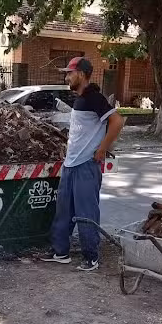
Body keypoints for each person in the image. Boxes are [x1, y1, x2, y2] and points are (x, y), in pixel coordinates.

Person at [41, 57, 124, 271]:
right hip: (71, 164)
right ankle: (60, 252)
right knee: (64, 211)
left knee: (86, 212)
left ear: (82, 74)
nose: (66, 77)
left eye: (70, 73)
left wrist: (102, 148)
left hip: (87, 165)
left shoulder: (94, 97)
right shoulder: (79, 99)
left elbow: (117, 121)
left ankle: (91, 257)